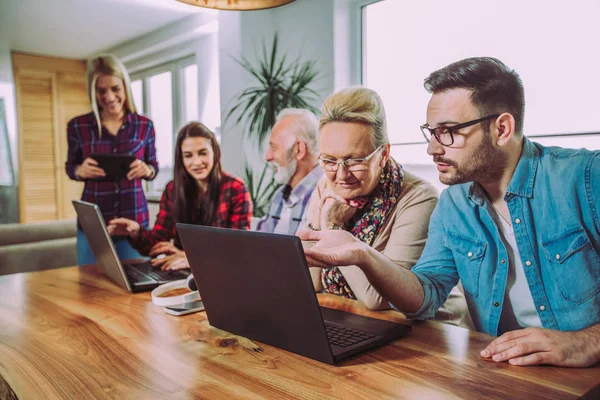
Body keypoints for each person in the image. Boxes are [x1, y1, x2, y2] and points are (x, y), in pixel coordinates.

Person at [299, 57, 600, 368]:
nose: (432, 148)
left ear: (502, 129)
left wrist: (586, 341)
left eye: (448, 132)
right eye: (431, 132)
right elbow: (425, 296)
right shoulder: (453, 204)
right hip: (503, 371)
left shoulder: (587, 177)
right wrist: (362, 254)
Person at [304, 87, 470, 327]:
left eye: (355, 161)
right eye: (329, 160)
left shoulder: (419, 198)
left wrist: (333, 226)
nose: (340, 174)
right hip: (356, 320)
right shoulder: (326, 186)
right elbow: (312, 282)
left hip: (429, 335)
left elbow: (376, 298)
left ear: (383, 154)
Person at [107, 122, 252, 271]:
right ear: (181, 159)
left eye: (203, 153)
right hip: (180, 272)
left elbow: (237, 249)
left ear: (215, 152)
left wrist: (191, 257)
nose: (196, 162)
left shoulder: (236, 189)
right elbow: (157, 243)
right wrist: (136, 232)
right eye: (188, 155)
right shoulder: (172, 189)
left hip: (220, 273)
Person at [66, 54, 158, 266]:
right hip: (93, 224)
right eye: (101, 91)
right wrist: (79, 170)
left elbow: (154, 168)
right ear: (93, 91)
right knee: (89, 288)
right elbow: (70, 167)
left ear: (125, 86)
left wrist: (147, 170)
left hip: (134, 222)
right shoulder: (78, 126)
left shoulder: (145, 126)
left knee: (137, 286)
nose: (109, 97)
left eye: (115, 88)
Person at [256, 108, 323, 235]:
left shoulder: (324, 196)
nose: (268, 156)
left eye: (274, 148)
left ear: (299, 149)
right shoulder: (280, 196)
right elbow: (256, 243)